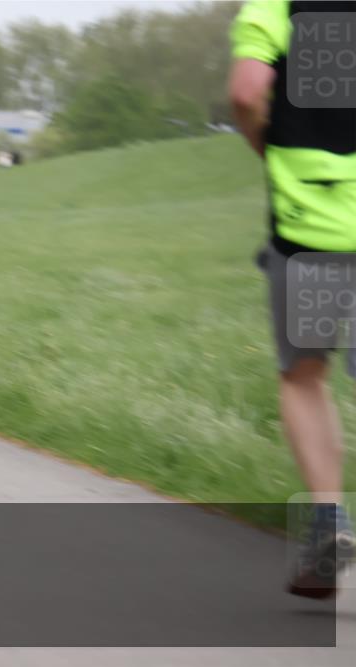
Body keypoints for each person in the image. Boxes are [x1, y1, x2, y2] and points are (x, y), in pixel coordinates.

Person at [229, 0, 356, 598]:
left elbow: (248, 91)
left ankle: (330, 520)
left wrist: (268, 150)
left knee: (304, 374)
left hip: (308, 232)